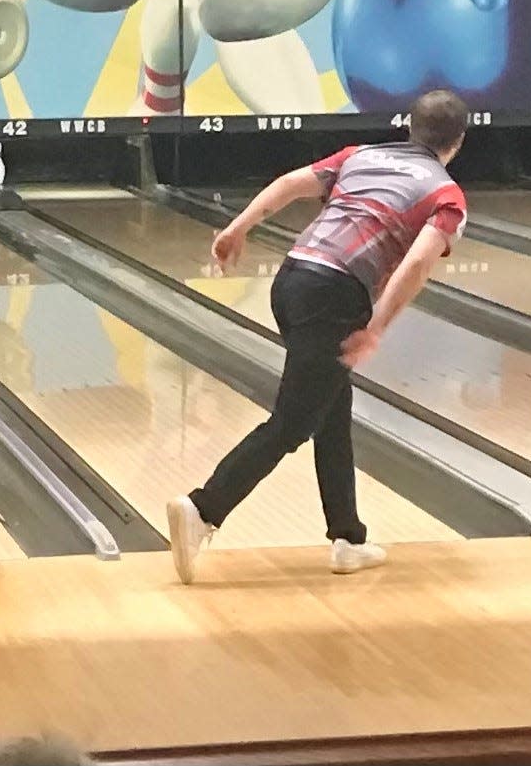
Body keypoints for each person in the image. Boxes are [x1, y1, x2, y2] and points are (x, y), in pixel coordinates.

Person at [167, 89, 469, 585]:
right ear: (456, 143)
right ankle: (204, 509)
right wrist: (374, 328)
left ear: (409, 127)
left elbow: (290, 184)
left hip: (292, 280)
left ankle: (348, 537)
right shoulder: (446, 194)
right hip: (335, 295)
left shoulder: (361, 155)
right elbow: (416, 264)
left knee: (331, 411)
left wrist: (238, 228)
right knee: (292, 423)